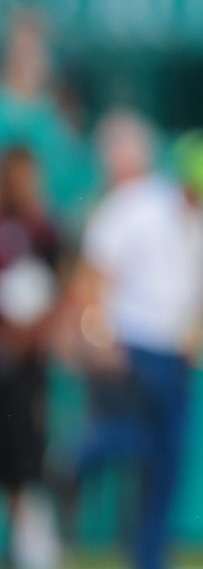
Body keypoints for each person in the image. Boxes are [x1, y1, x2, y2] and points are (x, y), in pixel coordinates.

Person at [62, 114, 203, 569]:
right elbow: (93, 280)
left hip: (177, 354)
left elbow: (200, 291)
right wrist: (100, 339)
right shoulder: (134, 206)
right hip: (130, 347)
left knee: (170, 457)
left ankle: (149, 557)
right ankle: (65, 471)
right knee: (122, 440)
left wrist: (200, 336)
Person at [0, 144, 64, 568]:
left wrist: (32, 332)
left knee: (27, 449)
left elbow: (58, 291)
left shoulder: (45, 232)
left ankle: (32, 542)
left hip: (27, 362)